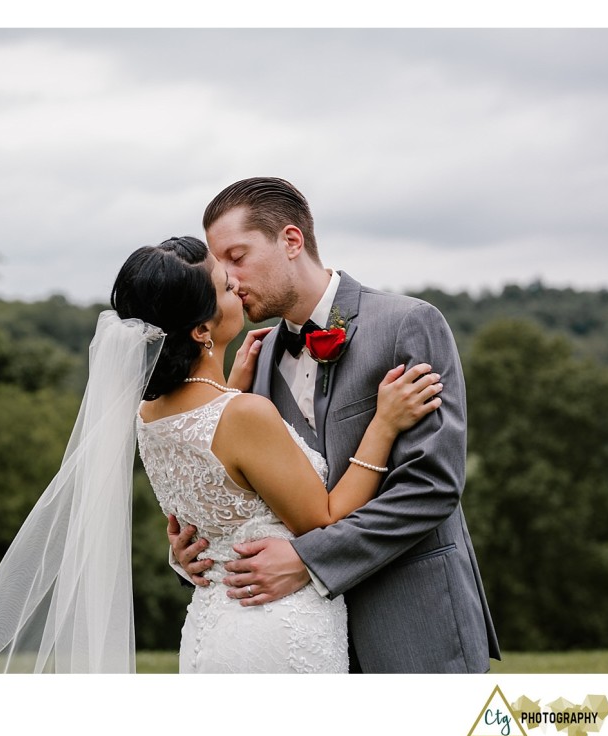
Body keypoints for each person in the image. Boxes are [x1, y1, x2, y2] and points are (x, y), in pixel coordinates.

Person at [0, 235, 440, 673]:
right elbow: (325, 519)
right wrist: (384, 424)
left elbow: (217, 476)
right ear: (202, 331)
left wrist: (230, 385)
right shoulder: (244, 415)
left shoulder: (147, 414)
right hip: (278, 632)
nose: (240, 290)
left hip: (212, 629)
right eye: (228, 288)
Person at [169, 177, 499, 673]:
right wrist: (194, 551)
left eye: (238, 256)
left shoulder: (409, 324)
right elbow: (247, 495)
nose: (230, 280)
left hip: (413, 626)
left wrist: (308, 559)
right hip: (304, 643)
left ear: (291, 240)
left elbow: (431, 486)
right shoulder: (254, 363)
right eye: (221, 267)